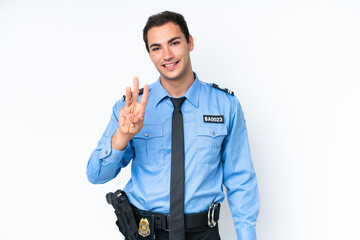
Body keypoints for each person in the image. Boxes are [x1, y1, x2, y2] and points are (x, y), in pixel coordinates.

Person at [87, 11, 260, 240]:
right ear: (150, 54)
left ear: (190, 42)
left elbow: (240, 179)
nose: (167, 55)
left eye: (174, 43)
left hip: (203, 233)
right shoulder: (130, 109)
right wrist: (121, 136)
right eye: (156, 48)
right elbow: (95, 175)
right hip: (146, 233)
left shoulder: (225, 105)